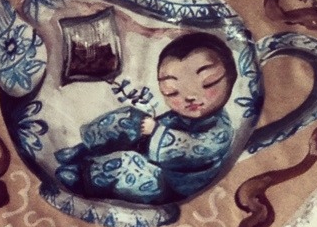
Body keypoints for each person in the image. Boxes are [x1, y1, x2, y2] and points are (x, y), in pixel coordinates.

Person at [54, 32, 237, 204]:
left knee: (127, 164)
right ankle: (85, 149)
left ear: (230, 77)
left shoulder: (222, 130)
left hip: (171, 183)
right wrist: (144, 130)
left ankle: (85, 177)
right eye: (172, 91)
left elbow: (193, 148)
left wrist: (156, 132)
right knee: (128, 118)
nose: (190, 96)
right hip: (153, 155)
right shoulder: (181, 115)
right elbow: (162, 123)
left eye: (208, 82)